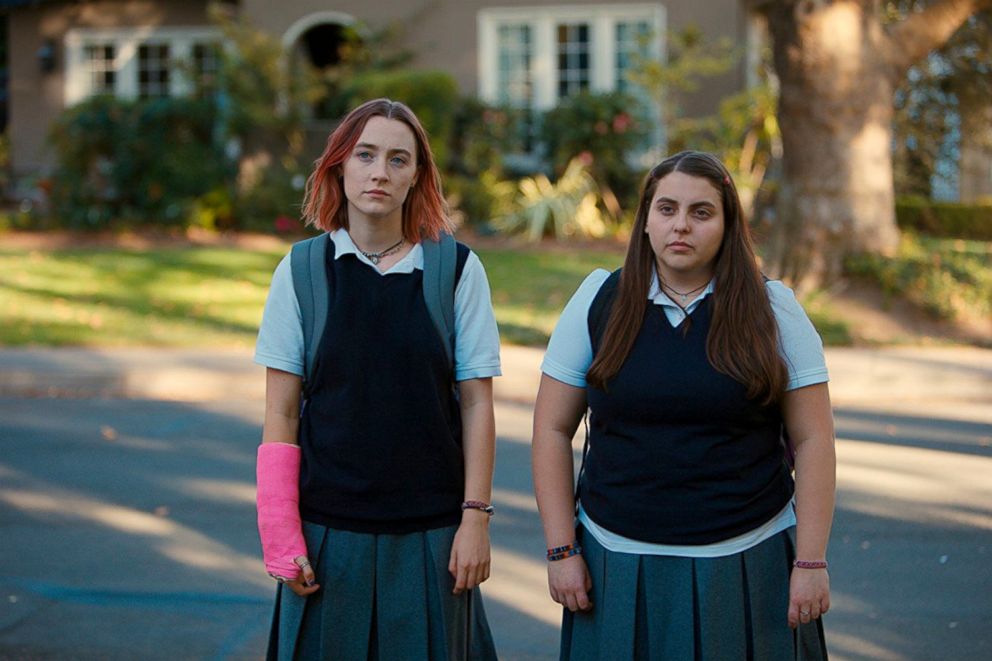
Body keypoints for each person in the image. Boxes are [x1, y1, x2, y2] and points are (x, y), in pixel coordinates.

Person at [531, 150, 835, 660]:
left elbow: (814, 439)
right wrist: (562, 550)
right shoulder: (598, 300)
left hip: (746, 559)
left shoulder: (774, 309)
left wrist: (810, 563)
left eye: (701, 212)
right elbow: (551, 429)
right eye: (667, 209)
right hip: (616, 560)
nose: (681, 226)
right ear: (646, 220)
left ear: (727, 224)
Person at [254, 98, 501, 660]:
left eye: (397, 159)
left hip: (434, 536)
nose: (379, 172)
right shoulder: (300, 271)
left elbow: (476, 405)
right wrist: (279, 532)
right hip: (325, 535)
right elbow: (281, 412)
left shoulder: (455, 270)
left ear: (417, 176)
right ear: (340, 164)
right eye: (365, 155)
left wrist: (475, 520)